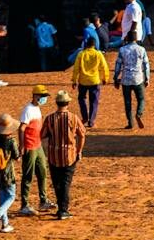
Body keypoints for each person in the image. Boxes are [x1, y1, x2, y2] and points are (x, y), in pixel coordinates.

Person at [40, 90, 85, 220]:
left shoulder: (50, 118)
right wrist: (79, 150)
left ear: (57, 103)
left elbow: (42, 135)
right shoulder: (74, 118)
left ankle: (61, 208)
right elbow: (82, 134)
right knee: (65, 183)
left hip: (54, 155)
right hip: (69, 155)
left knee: (57, 183)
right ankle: (63, 210)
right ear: (68, 103)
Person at [16, 86, 54, 218]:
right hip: (30, 147)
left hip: (38, 146)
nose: (44, 98)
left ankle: (43, 201)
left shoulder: (37, 109)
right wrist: (22, 146)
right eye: (42, 96)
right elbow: (21, 129)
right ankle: (24, 205)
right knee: (28, 176)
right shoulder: (28, 110)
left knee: (42, 172)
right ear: (35, 96)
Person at [112, 31, 150, 129]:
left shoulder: (122, 50)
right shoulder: (142, 50)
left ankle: (130, 123)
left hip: (126, 79)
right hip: (138, 78)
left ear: (127, 39)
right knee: (141, 99)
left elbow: (118, 65)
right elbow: (146, 65)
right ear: (136, 39)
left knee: (127, 102)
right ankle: (139, 114)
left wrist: (116, 78)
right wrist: (147, 78)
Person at [70, 38, 109, 128]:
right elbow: (104, 66)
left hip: (83, 81)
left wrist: (74, 80)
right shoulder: (98, 54)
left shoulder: (81, 54)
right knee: (94, 101)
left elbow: (76, 68)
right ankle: (91, 121)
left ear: (86, 44)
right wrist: (105, 78)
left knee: (81, 99)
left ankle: (84, 117)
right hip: (94, 81)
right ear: (94, 45)